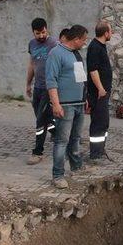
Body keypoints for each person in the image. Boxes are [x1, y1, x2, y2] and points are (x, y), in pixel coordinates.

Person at [45, 25, 89, 189]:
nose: (85, 43)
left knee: (76, 138)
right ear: (76, 39)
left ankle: (76, 166)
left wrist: (85, 98)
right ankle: (57, 175)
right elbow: (51, 81)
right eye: (84, 39)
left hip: (79, 103)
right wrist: (55, 104)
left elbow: (80, 78)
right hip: (65, 105)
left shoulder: (76, 55)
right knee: (62, 141)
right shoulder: (56, 53)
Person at [25, 18, 58, 165]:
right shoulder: (32, 44)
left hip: (49, 88)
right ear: (33, 32)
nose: (41, 36)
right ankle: (60, 136)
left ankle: (37, 152)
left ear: (47, 29)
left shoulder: (54, 44)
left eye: (43, 32)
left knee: (40, 119)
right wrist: (28, 83)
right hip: (37, 87)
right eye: (38, 33)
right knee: (46, 118)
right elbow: (32, 64)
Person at [86, 21, 113, 164]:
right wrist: (101, 89)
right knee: (98, 123)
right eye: (111, 31)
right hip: (98, 93)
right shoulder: (95, 47)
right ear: (105, 33)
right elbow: (93, 70)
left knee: (104, 122)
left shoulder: (101, 46)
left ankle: (101, 150)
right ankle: (95, 154)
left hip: (103, 93)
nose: (112, 33)